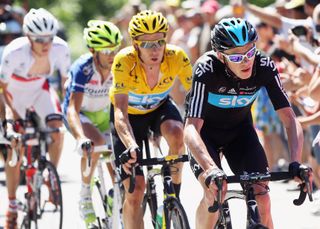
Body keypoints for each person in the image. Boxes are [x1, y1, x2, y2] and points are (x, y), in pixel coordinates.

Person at [184, 17, 312, 229]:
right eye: (236, 56)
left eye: (250, 52)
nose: (246, 61)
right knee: (214, 193)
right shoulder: (206, 69)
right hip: (205, 135)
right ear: (220, 55)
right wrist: (210, 168)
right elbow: (190, 128)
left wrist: (295, 162)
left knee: (262, 196)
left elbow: (289, 118)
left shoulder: (264, 66)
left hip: (240, 134)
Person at [109, 10, 192, 229]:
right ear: (135, 44)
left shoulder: (177, 56)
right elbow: (120, 111)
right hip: (130, 117)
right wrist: (130, 144)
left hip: (160, 108)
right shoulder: (124, 61)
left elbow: (195, 95)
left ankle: (174, 194)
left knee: (177, 133)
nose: (155, 49)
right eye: (146, 44)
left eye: (159, 41)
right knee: (135, 193)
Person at [0, 8, 70, 229]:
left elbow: (66, 81)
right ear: (28, 37)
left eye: (49, 38)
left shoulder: (61, 48)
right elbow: (2, 90)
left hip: (40, 90)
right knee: (15, 146)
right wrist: (9, 121)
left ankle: (50, 176)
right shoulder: (14, 52)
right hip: (13, 95)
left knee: (57, 130)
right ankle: (12, 204)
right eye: (39, 39)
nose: (45, 44)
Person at [63, 20, 122, 227]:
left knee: (120, 163)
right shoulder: (83, 68)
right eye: (106, 50)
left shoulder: (119, 65)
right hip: (83, 114)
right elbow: (73, 109)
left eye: (114, 49)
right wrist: (80, 137)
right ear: (93, 50)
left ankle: (116, 198)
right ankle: (85, 195)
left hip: (104, 114)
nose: (112, 54)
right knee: (95, 143)